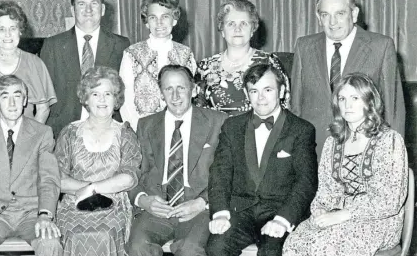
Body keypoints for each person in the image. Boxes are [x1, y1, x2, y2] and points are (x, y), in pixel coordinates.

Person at [283, 73, 408, 256]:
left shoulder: (389, 140)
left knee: (324, 246)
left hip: (379, 221)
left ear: (369, 102)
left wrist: (345, 214)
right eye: (342, 99)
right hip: (336, 216)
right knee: (294, 243)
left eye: (355, 98)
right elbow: (325, 190)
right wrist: (320, 213)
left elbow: (390, 200)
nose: (347, 105)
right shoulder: (333, 142)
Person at [206, 63, 318, 256]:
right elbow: (220, 174)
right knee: (216, 248)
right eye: (254, 91)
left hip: (279, 211)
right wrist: (221, 213)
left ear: (281, 91)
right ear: (247, 94)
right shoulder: (232, 127)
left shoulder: (301, 130)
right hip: (240, 212)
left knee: (272, 252)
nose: (261, 98)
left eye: (268, 90)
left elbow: (306, 182)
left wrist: (283, 219)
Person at [290, 0, 405, 157]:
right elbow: (295, 107)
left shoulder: (381, 46)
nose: (332, 22)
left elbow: (393, 109)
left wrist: (395, 155)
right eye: (325, 15)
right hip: (313, 152)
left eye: (340, 14)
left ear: (354, 13)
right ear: (318, 17)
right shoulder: (304, 46)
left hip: (365, 151)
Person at [127, 65, 228, 256]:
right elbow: (134, 172)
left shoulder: (218, 122)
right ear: (160, 93)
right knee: (137, 247)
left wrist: (202, 203)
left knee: (190, 249)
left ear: (194, 90)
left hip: (198, 210)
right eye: (168, 89)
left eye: (181, 88)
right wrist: (144, 200)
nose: (175, 96)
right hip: (157, 209)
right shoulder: (146, 125)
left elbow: (227, 174)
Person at [0, 75, 62, 256]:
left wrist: (45, 215)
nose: (12, 103)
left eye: (17, 96)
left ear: (25, 100)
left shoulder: (42, 133)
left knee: (50, 242)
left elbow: (48, 179)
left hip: (32, 213)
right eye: (5, 97)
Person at [54, 66, 142, 256]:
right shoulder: (69, 132)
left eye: (108, 94)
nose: (102, 100)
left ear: (116, 99)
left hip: (113, 206)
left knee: (105, 234)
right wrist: (90, 189)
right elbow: (58, 179)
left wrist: (91, 189)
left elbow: (129, 178)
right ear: (86, 99)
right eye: (95, 94)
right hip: (73, 206)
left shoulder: (125, 133)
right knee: (75, 235)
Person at [40, 0, 130, 136]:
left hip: (108, 131)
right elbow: (44, 94)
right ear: (72, 10)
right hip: (63, 132)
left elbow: (124, 93)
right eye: (81, 4)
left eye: (94, 4)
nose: (88, 10)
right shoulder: (53, 45)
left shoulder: (121, 45)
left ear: (102, 10)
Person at [0, 0, 56, 126]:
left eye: (13, 28)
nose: (8, 35)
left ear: (20, 31)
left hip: (27, 136)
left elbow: (43, 109)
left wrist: (31, 139)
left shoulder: (34, 62)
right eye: (1, 29)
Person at [194, 0, 290, 117]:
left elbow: (285, 106)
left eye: (244, 23)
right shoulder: (205, 66)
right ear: (222, 30)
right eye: (231, 24)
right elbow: (198, 112)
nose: (237, 29)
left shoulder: (269, 62)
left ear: (253, 29)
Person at [119, 0, 197, 130]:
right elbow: (125, 98)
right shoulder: (131, 53)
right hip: (142, 129)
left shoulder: (186, 54)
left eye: (165, 17)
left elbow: (190, 97)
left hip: (178, 130)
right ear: (147, 22)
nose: (159, 23)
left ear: (174, 20)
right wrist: (138, 130)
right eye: (153, 17)